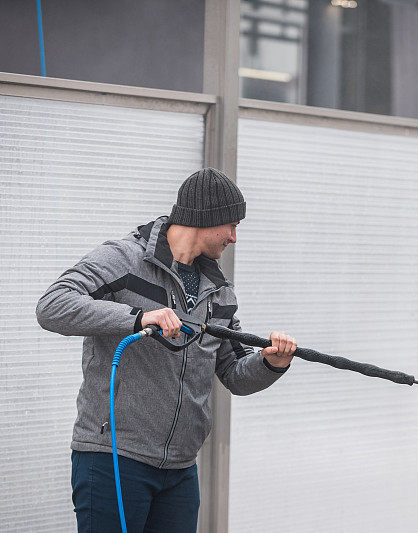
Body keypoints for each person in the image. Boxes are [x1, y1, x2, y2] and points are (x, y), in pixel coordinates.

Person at [36, 168, 296, 532]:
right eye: (232, 226)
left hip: (179, 471)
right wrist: (137, 317)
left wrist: (272, 363)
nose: (235, 238)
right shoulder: (124, 259)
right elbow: (52, 306)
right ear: (206, 218)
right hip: (114, 459)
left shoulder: (218, 291)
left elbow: (235, 375)